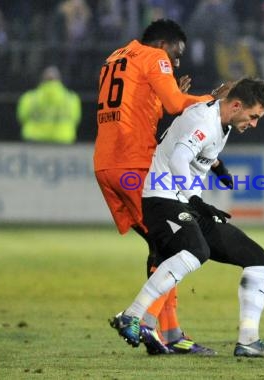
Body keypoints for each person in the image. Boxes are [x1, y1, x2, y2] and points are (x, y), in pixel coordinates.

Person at [109, 77, 264, 358]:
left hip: (186, 202)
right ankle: (132, 316)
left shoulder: (223, 119)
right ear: (237, 105)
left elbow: (202, 149)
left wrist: (218, 167)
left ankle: (249, 341)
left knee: (258, 259)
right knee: (195, 250)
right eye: (253, 117)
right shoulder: (204, 120)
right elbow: (179, 159)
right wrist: (195, 199)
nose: (254, 124)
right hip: (163, 199)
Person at [94, 18, 229, 356]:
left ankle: (168, 332)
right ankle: (153, 327)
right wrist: (210, 99)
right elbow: (172, 105)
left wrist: (173, 94)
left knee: (163, 245)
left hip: (106, 164)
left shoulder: (115, 58)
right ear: (162, 44)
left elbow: (140, 108)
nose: (177, 63)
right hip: (135, 164)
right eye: (176, 54)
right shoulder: (155, 58)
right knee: (180, 244)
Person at [16, 66, 81, 144]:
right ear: (59, 80)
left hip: (34, 138)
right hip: (63, 138)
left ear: (42, 80)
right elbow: (75, 118)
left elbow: (21, 117)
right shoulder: (71, 98)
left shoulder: (29, 98)